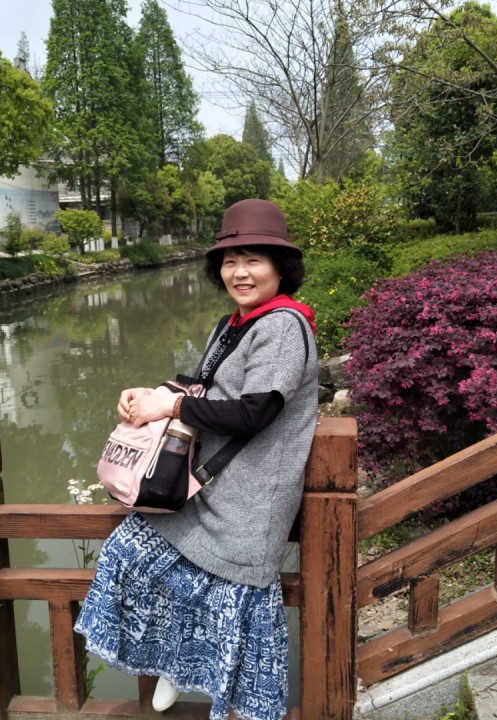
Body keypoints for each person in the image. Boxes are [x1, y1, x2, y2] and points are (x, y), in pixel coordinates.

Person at [74, 198, 318, 720]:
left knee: (230, 604)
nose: (240, 272)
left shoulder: (282, 326)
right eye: (230, 261)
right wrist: (151, 394)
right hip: (208, 481)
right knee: (131, 552)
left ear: (280, 267)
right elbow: (205, 386)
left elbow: (254, 412)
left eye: (253, 260)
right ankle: (174, 665)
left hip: (251, 495)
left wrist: (172, 406)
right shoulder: (235, 323)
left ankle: (221, 693)